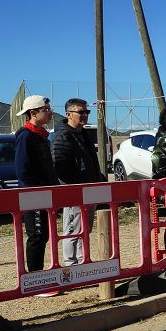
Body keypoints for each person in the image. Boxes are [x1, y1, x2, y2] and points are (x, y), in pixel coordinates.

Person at [52, 98, 105, 266]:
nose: (85, 115)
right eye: (81, 112)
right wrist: (74, 184)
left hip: (88, 188)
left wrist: (96, 179)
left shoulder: (82, 134)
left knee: (85, 228)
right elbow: (58, 164)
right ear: (68, 114)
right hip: (74, 191)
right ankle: (71, 263)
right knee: (72, 228)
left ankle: (83, 261)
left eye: (86, 112)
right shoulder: (63, 135)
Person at [14, 95, 59, 282]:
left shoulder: (41, 136)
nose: (49, 113)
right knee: (37, 236)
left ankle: (39, 276)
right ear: (33, 113)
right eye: (46, 109)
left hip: (45, 194)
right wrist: (35, 192)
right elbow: (23, 170)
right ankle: (34, 279)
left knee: (44, 236)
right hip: (34, 195)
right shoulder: (26, 137)